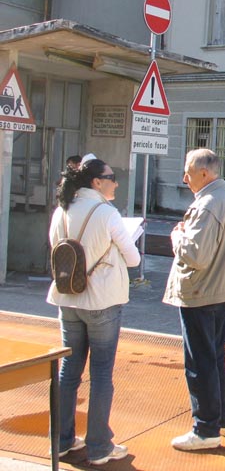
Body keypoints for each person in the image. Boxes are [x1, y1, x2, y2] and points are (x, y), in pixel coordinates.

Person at [47, 157, 140, 465]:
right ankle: (99, 446)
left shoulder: (61, 210)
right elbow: (133, 259)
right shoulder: (106, 213)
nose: (116, 182)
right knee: (101, 373)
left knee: (68, 371)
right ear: (97, 182)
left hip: (67, 298)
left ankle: (61, 441)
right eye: (111, 177)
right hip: (102, 301)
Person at [163, 148, 225, 451]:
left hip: (201, 290)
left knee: (199, 362)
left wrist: (177, 237)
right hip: (222, 288)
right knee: (214, 356)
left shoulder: (209, 204)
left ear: (203, 173)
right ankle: (223, 419)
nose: (184, 179)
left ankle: (205, 428)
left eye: (188, 173)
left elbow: (196, 255)